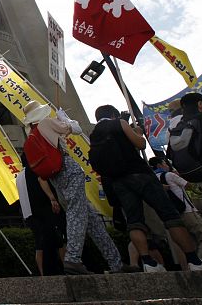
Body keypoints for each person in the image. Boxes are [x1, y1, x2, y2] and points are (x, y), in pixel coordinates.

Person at [92, 104, 202, 272]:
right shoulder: (119, 123)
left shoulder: (94, 134)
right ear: (113, 114)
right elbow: (140, 144)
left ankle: (148, 263)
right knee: (170, 215)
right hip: (139, 174)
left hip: (118, 181)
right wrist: (138, 133)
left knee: (135, 222)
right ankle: (194, 261)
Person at [23, 101, 125, 275]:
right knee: (76, 213)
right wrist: (65, 119)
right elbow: (76, 129)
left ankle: (116, 263)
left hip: (55, 176)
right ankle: (73, 259)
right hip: (68, 169)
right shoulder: (47, 123)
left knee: (91, 220)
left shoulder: (32, 132)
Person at [150, 156, 202, 262]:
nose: (166, 165)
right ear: (159, 165)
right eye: (164, 163)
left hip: (171, 217)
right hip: (187, 211)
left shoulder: (152, 180)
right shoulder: (170, 175)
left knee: (188, 243)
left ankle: (191, 264)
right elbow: (190, 186)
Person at [16, 154, 66, 276]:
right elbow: (42, 180)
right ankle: (67, 267)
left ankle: (42, 273)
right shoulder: (35, 170)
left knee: (40, 245)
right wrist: (52, 199)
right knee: (59, 240)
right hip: (44, 211)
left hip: (30, 214)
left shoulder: (19, 176)